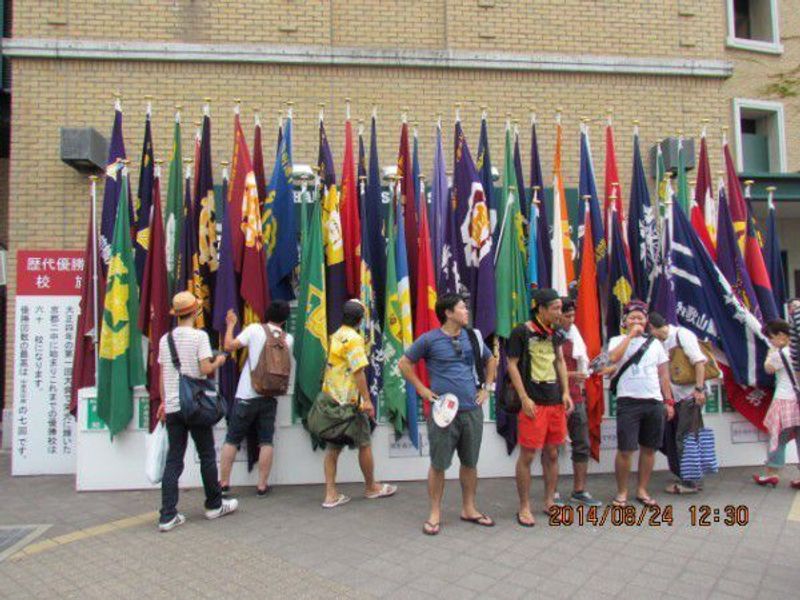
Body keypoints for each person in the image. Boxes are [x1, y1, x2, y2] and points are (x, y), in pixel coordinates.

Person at [399, 293, 498, 536]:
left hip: (471, 412)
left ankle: (469, 508)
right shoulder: (429, 340)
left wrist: (487, 388)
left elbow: (491, 361)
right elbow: (404, 364)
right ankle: (434, 512)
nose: (467, 311)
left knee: (470, 463)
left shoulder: (473, 336)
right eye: (462, 308)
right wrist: (422, 389)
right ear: (448, 313)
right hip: (443, 414)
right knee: (439, 464)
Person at [156, 291, 238, 532]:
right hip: (196, 404)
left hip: (173, 405)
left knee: (174, 459)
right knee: (206, 455)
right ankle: (214, 504)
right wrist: (219, 362)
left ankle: (167, 514)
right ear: (195, 311)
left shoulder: (165, 339)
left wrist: (163, 401)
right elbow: (204, 368)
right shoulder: (199, 337)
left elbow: (163, 375)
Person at [506, 289, 573, 527]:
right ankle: (524, 506)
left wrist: (565, 392)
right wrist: (524, 397)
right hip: (533, 403)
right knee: (528, 455)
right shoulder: (521, 332)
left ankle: (549, 501)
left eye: (560, 307)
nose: (559, 312)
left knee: (553, 453)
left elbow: (560, 361)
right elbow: (512, 365)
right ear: (540, 308)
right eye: (554, 307)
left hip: (555, 401)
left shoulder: (556, 333)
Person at [321, 299, 397, 508]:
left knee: (333, 448)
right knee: (364, 444)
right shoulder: (353, 339)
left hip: (332, 400)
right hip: (350, 402)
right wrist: (367, 400)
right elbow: (359, 372)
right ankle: (371, 487)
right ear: (360, 319)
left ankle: (330, 494)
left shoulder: (336, 335)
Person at [218, 301, 293, 497]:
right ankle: (261, 485)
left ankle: (224, 483)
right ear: (285, 319)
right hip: (270, 395)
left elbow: (228, 346)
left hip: (247, 395)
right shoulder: (288, 339)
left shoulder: (254, 330)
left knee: (232, 439)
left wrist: (230, 325)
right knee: (266, 441)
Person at [607, 301, 674, 508]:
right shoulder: (617, 340)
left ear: (647, 321)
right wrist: (629, 336)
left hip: (653, 402)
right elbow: (613, 359)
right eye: (632, 317)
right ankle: (622, 492)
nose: (637, 321)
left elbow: (663, 374)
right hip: (628, 402)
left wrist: (668, 400)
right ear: (625, 321)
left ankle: (642, 489)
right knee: (626, 450)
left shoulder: (655, 343)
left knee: (649, 449)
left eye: (640, 318)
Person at [648, 312, 708, 495]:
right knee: (668, 438)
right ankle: (685, 473)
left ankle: (689, 482)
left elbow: (699, 362)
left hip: (689, 396)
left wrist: (699, 389)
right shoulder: (660, 343)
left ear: (652, 328)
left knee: (685, 438)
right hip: (672, 399)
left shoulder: (682, 335)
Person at [558, 298, 602, 507]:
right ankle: (553, 492)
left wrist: (585, 373)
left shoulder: (575, 335)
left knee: (582, 444)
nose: (571, 320)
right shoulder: (548, 337)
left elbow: (582, 363)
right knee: (553, 447)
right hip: (554, 397)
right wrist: (571, 374)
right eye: (567, 316)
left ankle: (579, 490)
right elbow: (543, 372)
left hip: (577, 396)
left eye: (573, 315)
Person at [753, 319, 800, 489]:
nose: (771, 341)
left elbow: (768, 368)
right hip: (798, 400)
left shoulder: (783, 353)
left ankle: (772, 474)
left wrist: (771, 351)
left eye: (771, 337)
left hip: (785, 400)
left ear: (781, 335)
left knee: (778, 438)